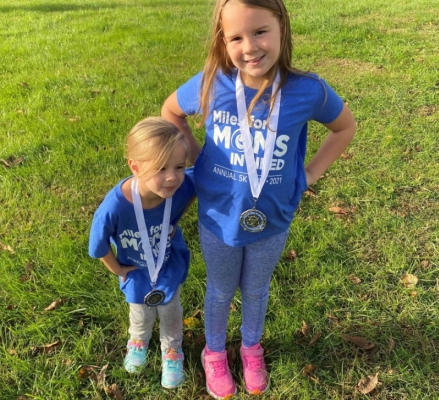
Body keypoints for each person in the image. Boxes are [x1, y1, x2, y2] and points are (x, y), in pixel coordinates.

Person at [161, 0, 356, 397]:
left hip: (273, 217)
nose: (249, 46)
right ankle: (214, 353)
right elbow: (171, 112)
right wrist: (197, 160)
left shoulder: (307, 90)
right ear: (223, 41)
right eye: (236, 37)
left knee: (256, 289)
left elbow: (344, 128)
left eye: (260, 31)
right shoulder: (212, 83)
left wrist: (309, 174)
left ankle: (251, 347)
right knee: (219, 289)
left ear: (282, 28)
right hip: (219, 215)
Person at [88, 117, 195, 389]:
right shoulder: (115, 207)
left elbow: (198, 184)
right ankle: (138, 341)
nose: (172, 176)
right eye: (160, 168)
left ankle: (172, 352)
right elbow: (98, 246)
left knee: (171, 310)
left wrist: (173, 221)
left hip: (168, 264)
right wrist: (118, 270)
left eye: (179, 166)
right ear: (135, 167)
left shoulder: (181, 187)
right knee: (140, 310)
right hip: (134, 269)